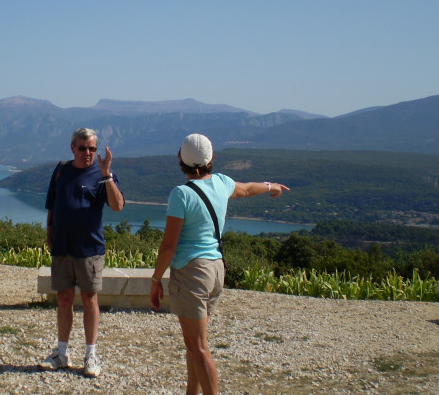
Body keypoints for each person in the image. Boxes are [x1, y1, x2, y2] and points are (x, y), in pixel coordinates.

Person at [150, 134, 290, 395]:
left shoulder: (181, 194)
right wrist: (271, 186)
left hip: (192, 272)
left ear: (181, 158)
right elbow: (247, 189)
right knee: (194, 345)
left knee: (199, 347)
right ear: (211, 158)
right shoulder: (222, 183)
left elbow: (169, 246)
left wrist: (156, 279)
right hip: (216, 269)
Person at [40, 128, 125, 378]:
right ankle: (61, 353)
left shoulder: (103, 175)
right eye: (83, 148)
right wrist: (49, 233)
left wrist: (107, 174)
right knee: (64, 299)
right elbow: (52, 205)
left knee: (89, 299)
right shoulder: (61, 170)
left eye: (92, 149)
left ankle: (90, 355)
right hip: (62, 247)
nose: (88, 153)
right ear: (72, 148)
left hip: (90, 250)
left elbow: (118, 206)